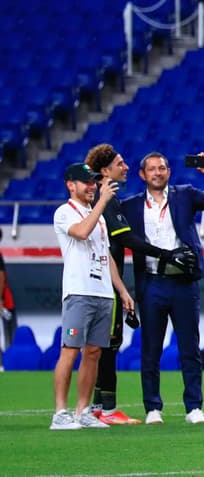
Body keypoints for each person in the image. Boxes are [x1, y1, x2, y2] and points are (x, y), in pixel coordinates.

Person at [84, 143, 191, 426]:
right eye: (120, 163)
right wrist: (166, 254)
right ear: (106, 171)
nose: (126, 167)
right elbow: (127, 240)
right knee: (106, 345)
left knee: (102, 345)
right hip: (104, 284)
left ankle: (96, 407)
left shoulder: (100, 199)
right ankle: (105, 408)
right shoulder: (106, 201)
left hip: (106, 280)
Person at [121, 151, 204, 425]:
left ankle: (194, 407)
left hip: (183, 283)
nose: (158, 172)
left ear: (169, 172)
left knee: (189, 347)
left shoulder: (184, 195)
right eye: (152, 169)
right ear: (142, 175)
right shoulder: (130, 206)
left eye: (162, 168)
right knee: (150, 349)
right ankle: (152, 408)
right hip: (152, 283)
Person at [51, 163, 135, 430]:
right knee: (70, 350)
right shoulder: (64, 213)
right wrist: (102, 203)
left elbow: (106, 254)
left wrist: (121, 290)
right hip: (79, 291)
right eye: (86, 182)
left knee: (94, 352)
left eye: (94, 182)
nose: (92, 186)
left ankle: (82, 411)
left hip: (102, 292)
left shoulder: (96, 215)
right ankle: (60, 413)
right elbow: (81, 232)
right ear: (70, 185)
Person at [0, 249, 14, 370]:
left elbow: (1, 276)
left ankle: (4, 364)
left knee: (7, 336)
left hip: (4, 302)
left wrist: (0, 300)